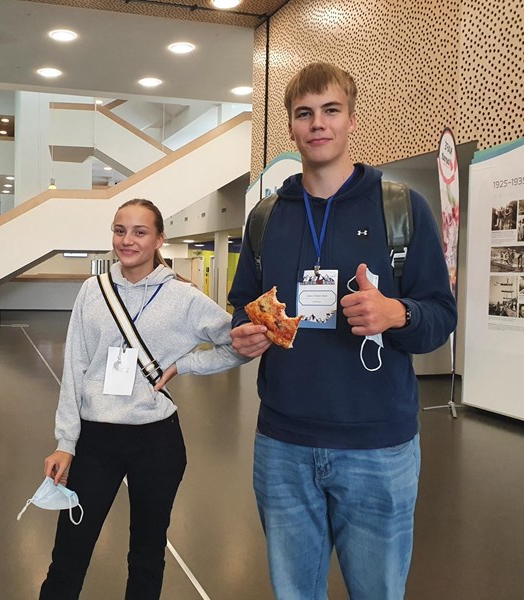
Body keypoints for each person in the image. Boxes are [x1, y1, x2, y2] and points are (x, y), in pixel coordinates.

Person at [228, 62, 457, 600]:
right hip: (283, 444)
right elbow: (242, 307)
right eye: (304, 113)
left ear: (351, 119)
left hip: (377, 446)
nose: (318, 124)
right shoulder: (266, 217)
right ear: (289, 126)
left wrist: (395, 314)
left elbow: (439, 317)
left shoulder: (401, 209)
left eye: (331, 110)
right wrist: (244, 334)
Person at [38, 199, 247, 600]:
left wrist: (185, 366)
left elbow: (238, 345)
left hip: (156, 441)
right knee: (69, 553)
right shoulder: (92, 290)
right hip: (95, 440)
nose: (127, 240)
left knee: (147, 554)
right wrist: (66, 442)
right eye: (120, 230)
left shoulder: (183, 297)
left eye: (139, 232)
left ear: (158, 239)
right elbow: (75, 367)